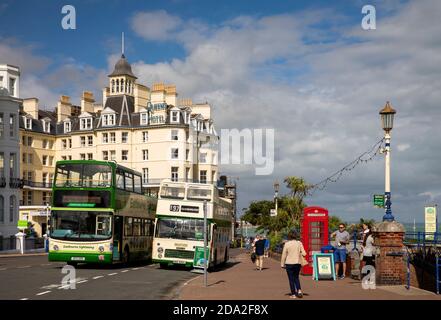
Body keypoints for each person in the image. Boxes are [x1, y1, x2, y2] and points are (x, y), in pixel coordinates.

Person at [281, 230, 306, 298]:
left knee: (291, 279)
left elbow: (284, 255)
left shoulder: (287, 244)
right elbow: (304, 253)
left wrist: (282, 264)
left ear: (289, 236)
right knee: (296, 277)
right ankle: (299, 290)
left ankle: (293, 294)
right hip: (297, 263)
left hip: (289, 263)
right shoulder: (299, 243)